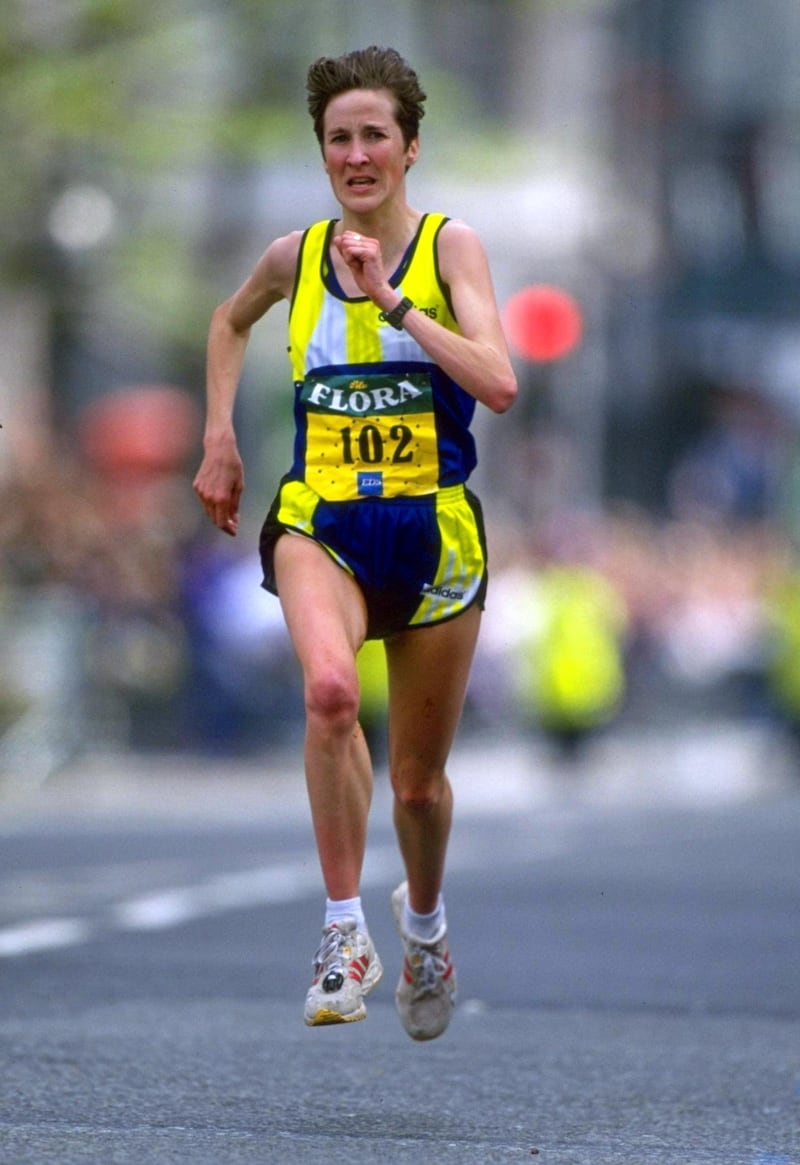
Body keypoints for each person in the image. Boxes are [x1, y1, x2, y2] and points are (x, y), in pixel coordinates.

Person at [193, 45, 517, 1041]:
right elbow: (228, 320)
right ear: (323, 153)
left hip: (431, 528)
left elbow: (498, 383)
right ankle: (342, 931)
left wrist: (391, 304)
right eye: (339, 137)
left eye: (375, 133)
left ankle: (422, 924)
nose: (356, 153)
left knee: (417, 784)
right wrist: (219, 435)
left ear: (409, 147)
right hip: (321, 519)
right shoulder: (292, 257)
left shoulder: (447, 250)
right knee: (329, 693)